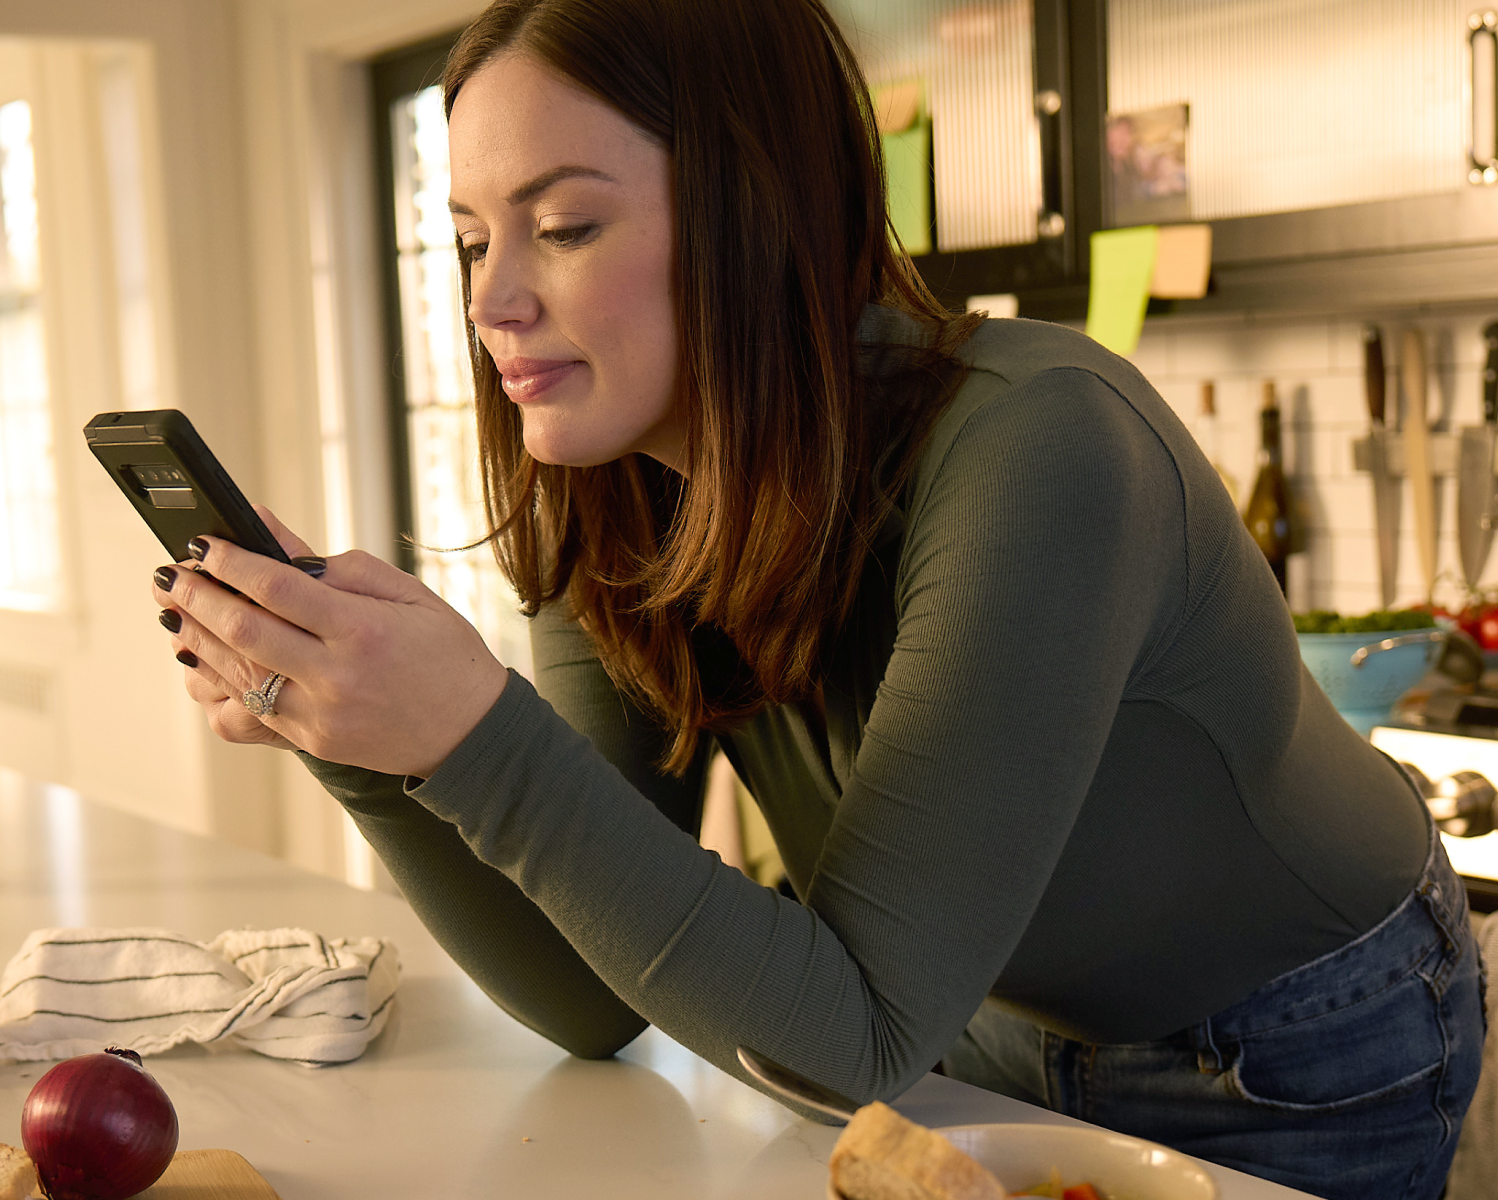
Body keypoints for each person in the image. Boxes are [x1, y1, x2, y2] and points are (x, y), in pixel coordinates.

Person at [148, 1, 1484, 1196]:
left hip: (1283, 1042)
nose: (493, 296)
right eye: (468, 238)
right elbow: (582, 997)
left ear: (757, 208)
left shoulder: (1044, 446)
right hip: (980, 1026)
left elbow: (861, 1038)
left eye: (563, 226)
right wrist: (362, 738)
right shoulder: (622, 495)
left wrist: (468, 735)